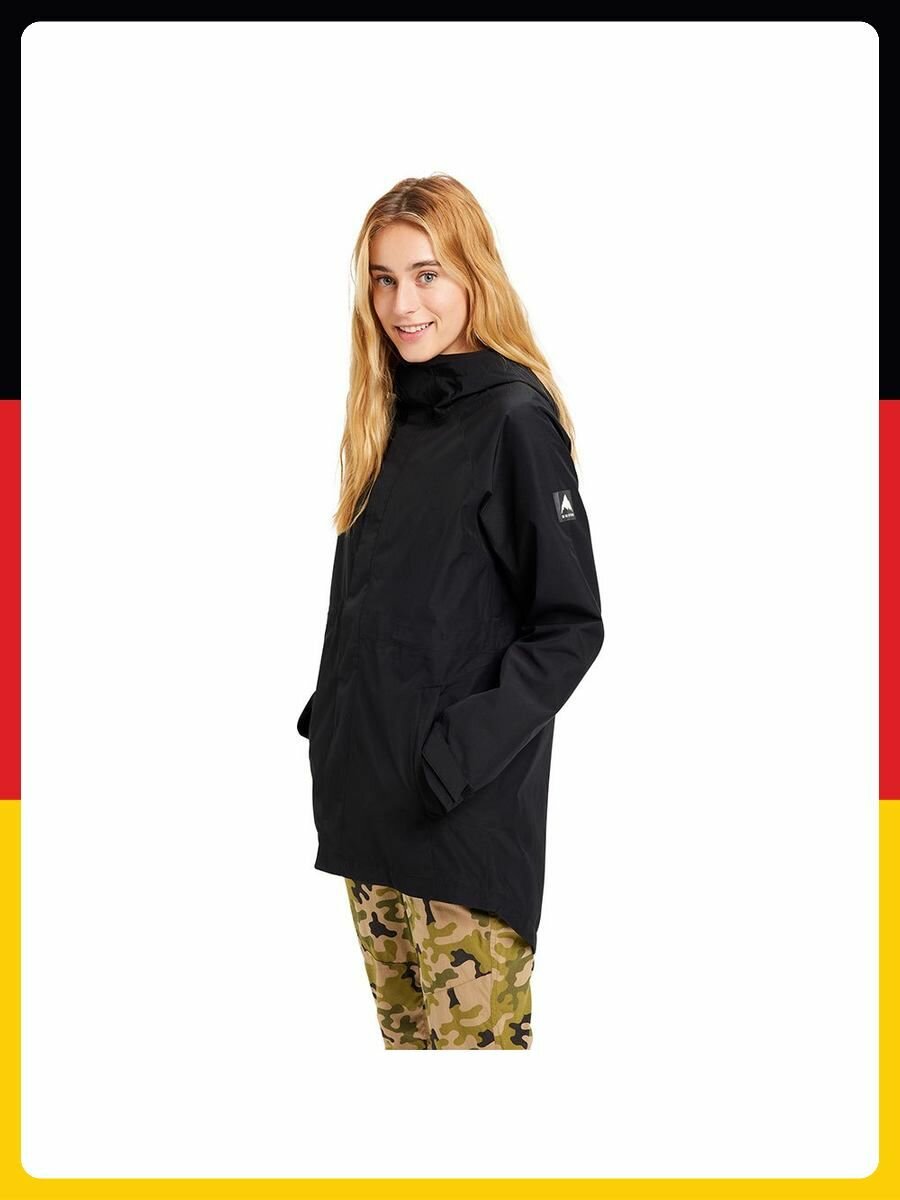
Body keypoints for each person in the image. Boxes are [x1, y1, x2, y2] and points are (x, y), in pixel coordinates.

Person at [296, 174, 605, 1050]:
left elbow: (571, 626)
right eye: (384, 280)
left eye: (427, 274)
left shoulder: (514, 420)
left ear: (474, 274)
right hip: (368, 812)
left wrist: (452, 757)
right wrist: (334, 727)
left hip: (461, 829)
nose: (404, 304)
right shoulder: (385, 418)